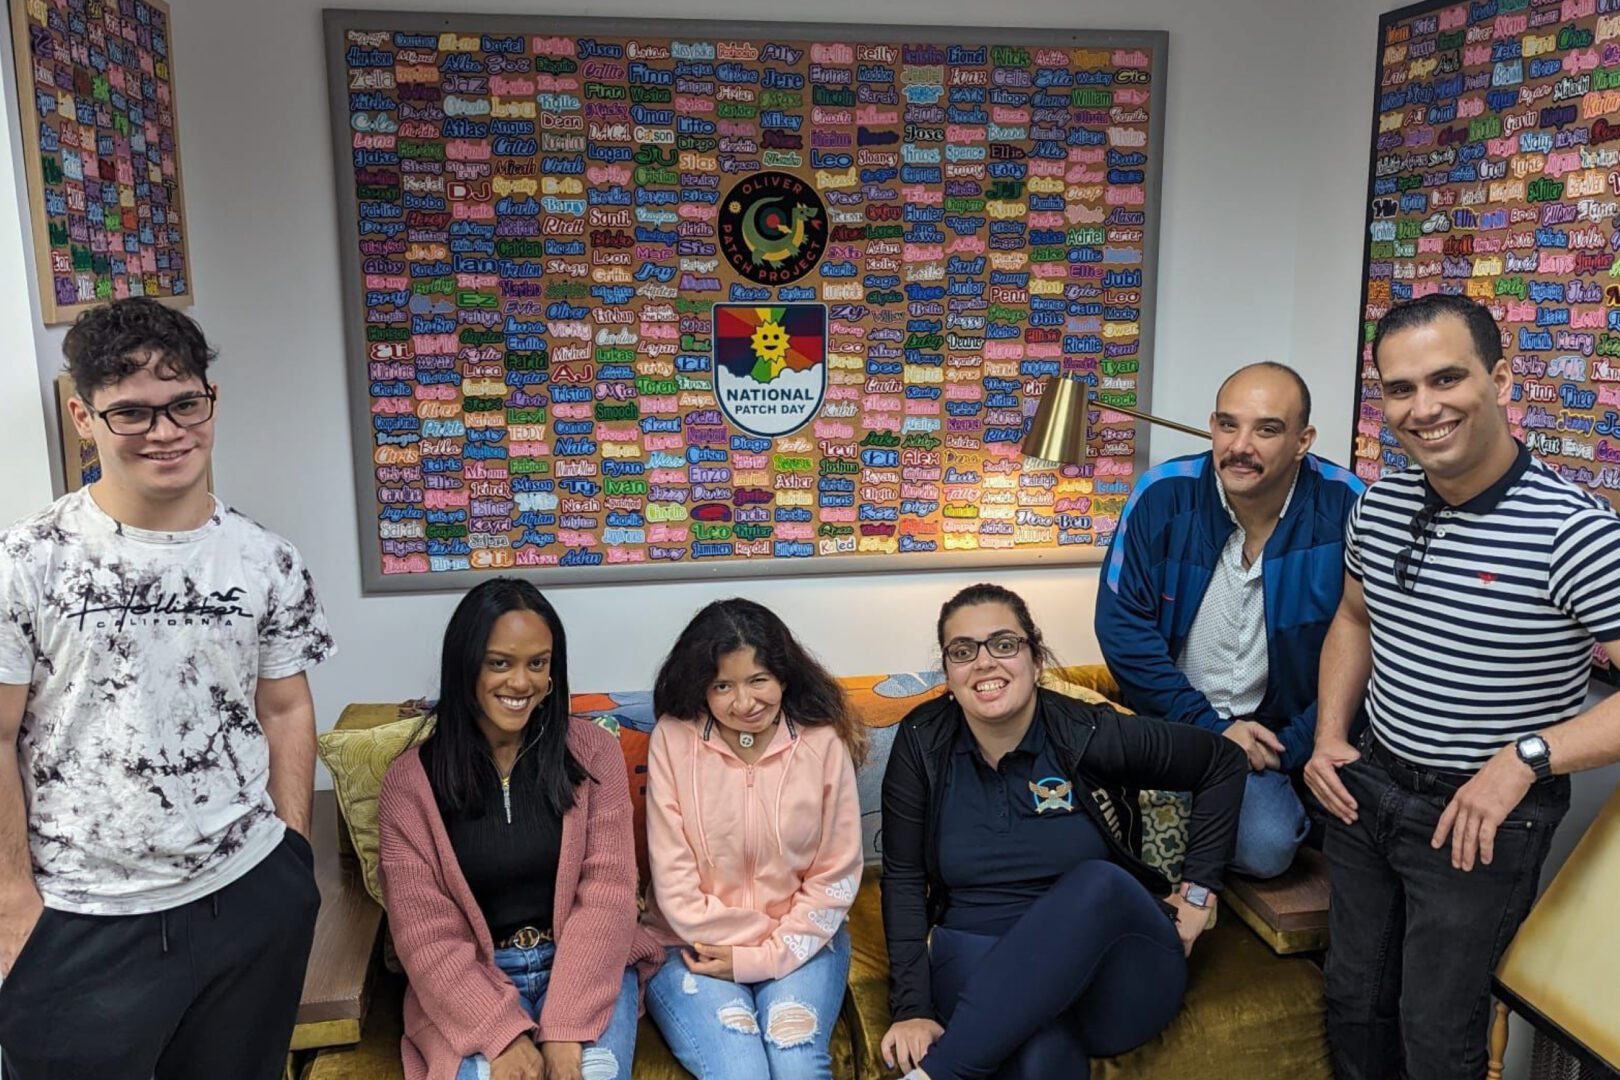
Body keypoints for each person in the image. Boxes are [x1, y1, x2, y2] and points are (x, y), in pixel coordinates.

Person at [0, 298, 335, 1079]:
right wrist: (11, 899)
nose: (166, 430)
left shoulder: (265, 560)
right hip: (83, 919)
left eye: (185, 402)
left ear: (209, 401)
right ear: (84, 416)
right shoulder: (27, 563)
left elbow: (284, 705)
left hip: (246, 898)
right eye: (133, 413)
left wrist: (293, 853)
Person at [1304, 293, 1620, 1080]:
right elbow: (1353, 619)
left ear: (1502, 379)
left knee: (1438, 1038)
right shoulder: (1378, 504)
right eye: (1400, 389)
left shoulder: (1573, 531)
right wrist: (1329, 738)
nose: (1424, 408)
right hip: (1368, 788)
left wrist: (1526, 758)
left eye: (1447, 379)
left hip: (1478, 819)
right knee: (1351, 1003)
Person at [879, 583, 1247, 1080]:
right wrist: (911, 1007)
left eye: (1004, 644)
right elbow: (902, 877)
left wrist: (1199, 893)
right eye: (963, 651)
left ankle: (937, 1074)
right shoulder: (922, 742)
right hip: (980, 958)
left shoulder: (1086, 731)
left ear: (1036, 660)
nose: (984, 662)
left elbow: (1222, 762)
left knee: (1100, 881)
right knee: (1041, 1061)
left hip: (1112, 975)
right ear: (948, 672)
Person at [377, 578, 662, 1080]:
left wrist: (566, 1030)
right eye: (500, 663)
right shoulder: (411, 782)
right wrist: (500, 1034)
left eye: (538, 663)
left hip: (581, 967)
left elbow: (608, 895)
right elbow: (423, 932)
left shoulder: (593, 753)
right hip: (473, 985)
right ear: (466, 666)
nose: (521, 682)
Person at [1096, 362, 1364, 878]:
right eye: (1227, 424)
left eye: (1266, 429)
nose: (1240, 445)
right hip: (1177, 723)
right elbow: (1121, 628)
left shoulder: (1348, 506)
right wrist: (1210, 729)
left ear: (1302, 440)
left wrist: (1288, 749)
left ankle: (1274, 800)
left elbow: (1368, 645)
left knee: (1266, 848)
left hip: (1277, 736)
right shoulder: (1161, 494)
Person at [643, 598, 866, 1080]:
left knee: (796, 1062)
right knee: (739, 1069)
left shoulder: (822, 741)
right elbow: (674, 882)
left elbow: (836, 872)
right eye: (723, 685)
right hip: (688, 943)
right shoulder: (673, 738)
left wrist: (763, 957)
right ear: (700, 686)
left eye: (758, 680)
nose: (744, 703)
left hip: (802, 939)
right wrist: (749, 952)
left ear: (784, 676)